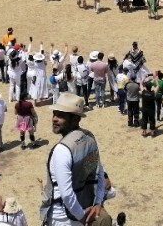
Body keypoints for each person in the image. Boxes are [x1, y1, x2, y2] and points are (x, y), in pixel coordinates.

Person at [41, 93, 107, 226]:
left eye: (61, 115)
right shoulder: (88, 138)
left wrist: (82, 217)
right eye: (54, 114)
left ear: (75, 119)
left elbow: (66, 194)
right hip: (84, 207)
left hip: (63, 218)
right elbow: (97, 172)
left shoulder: (62, 150)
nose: (54, 119)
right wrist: (98, 203)